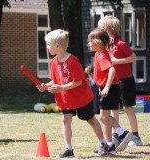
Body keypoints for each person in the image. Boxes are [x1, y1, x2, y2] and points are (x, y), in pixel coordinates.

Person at [37, 29, 111, 158]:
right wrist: (46, 85)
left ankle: (103, 144)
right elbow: (56, 79)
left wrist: (61, 88)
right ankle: (68, 149)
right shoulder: (54, 62)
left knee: (90, 120)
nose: (47, 47)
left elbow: (78, 81)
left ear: (57, 46)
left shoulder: (72, 60)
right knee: (65, 119)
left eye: (49, 44)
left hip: (81, 97)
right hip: (66, 99)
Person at [97, 15, 143, 146]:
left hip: (125, 80)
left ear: (109, 29)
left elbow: (133, 57)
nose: (100, 31)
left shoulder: (121, 44)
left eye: (102, 28)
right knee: (113, 109)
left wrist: (117, 61)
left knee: (128, 108)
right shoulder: (104, 45)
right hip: (112, 82)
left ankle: (135, 136)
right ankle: (115, 135)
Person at [88, 28, 132, 154]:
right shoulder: (99, 54)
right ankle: (113, 141)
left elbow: (112, 70)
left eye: (90, 41)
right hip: (109, 88)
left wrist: (106, 87)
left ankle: (117, 137)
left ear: (98, 42)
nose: (89, 44)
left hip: (110, 89)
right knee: (105, 116)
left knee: (103, 117)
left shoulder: (102, 55)